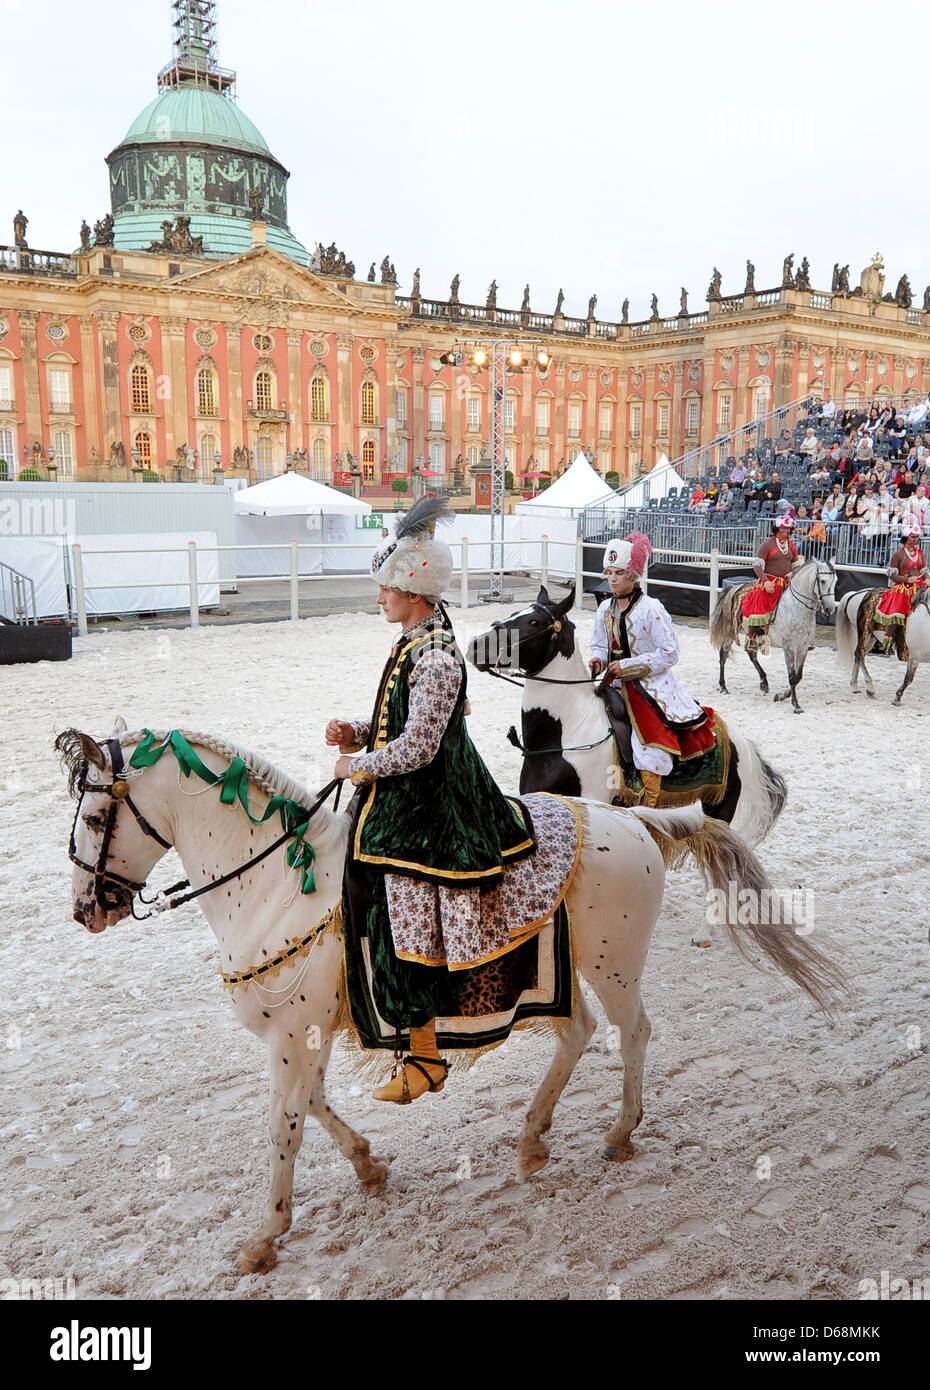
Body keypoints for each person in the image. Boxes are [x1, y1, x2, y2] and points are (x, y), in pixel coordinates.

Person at [327, 498, 536, 1104]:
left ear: (414, 592)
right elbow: (410, 724)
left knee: (403, 901)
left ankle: (426, 1055)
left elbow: (420, 746)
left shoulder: (438, 655)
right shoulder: (418, 639)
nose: (379, 598)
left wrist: (356, 763)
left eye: (387, 589)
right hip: (417, 781)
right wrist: (360, 732)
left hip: (439, 797)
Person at [589, 533, 715, 808]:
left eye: (619, 573)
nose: (612, 579)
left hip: (650, 685)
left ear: (633, 574)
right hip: (612, 681)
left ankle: (651, 803)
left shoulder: (651, 609)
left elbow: (670, 653)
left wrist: (628, 666)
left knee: (649, 740)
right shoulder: (603, 609)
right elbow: (599, 643)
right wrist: (597, 658)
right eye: (609, 572)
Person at [740, 516, 804, 654]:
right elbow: (757, 565)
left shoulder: (791, 546)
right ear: (777, 529)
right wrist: (766, 582)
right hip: (768, 583)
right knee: (760, 605)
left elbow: (796, 565)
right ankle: (751, 638)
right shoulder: (768, 544)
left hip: (785, 584)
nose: (786, 531)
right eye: (783, 528)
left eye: (788, 528)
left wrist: (793, 573)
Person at [874, 517, 928, 657]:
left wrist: (927, 579)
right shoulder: (898, 555)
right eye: (913, 537)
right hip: (903, 587)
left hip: (919, 585)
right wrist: (907, 579)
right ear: (906, 538)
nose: (916, 540)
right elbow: (891, 575)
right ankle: (889, 636)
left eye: (917, 537)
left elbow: (924, 570)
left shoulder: (920, 554)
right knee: (900, 605)